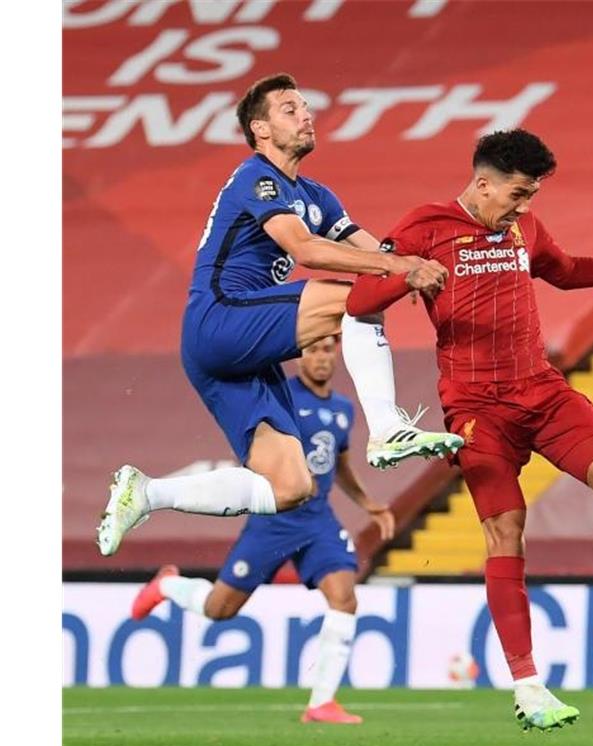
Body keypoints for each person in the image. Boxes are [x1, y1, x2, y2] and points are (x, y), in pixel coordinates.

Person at [345, 129, 593, 731]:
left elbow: (563, 271)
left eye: (531, 196)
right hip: (475, 406)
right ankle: (529, 685)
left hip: (540, 389)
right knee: (506, 529)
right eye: (516, 194)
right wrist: (405, 275)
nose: (523, 208)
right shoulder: (425, 226)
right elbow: (361, 300)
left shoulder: (523, 229)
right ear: (483, 184)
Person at [97, 72, 463, 558]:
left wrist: (425, 268)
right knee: (352, 300)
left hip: (235, 353)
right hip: (218, 321)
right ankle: (384, 427)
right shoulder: (255, 177)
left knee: (291, 486)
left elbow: (374, 251)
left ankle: (145, 493)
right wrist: (399, 269)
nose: (306, 115)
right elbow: (304, 248)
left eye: (305, 107)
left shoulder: (317, 195)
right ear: (261, 130)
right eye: (290, 109)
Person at [130, 336, 387, 724]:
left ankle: (321, 703)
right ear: (300, 358)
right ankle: (166, 585)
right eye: (313, 350)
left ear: (336, 355)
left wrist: (369, 504)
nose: (320, 358)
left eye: (327, 350)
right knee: (220, 609)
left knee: (345, 598)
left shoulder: (343, 409)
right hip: (273, 519)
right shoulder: (280, 397)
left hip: (317, 521)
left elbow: (342, 464)